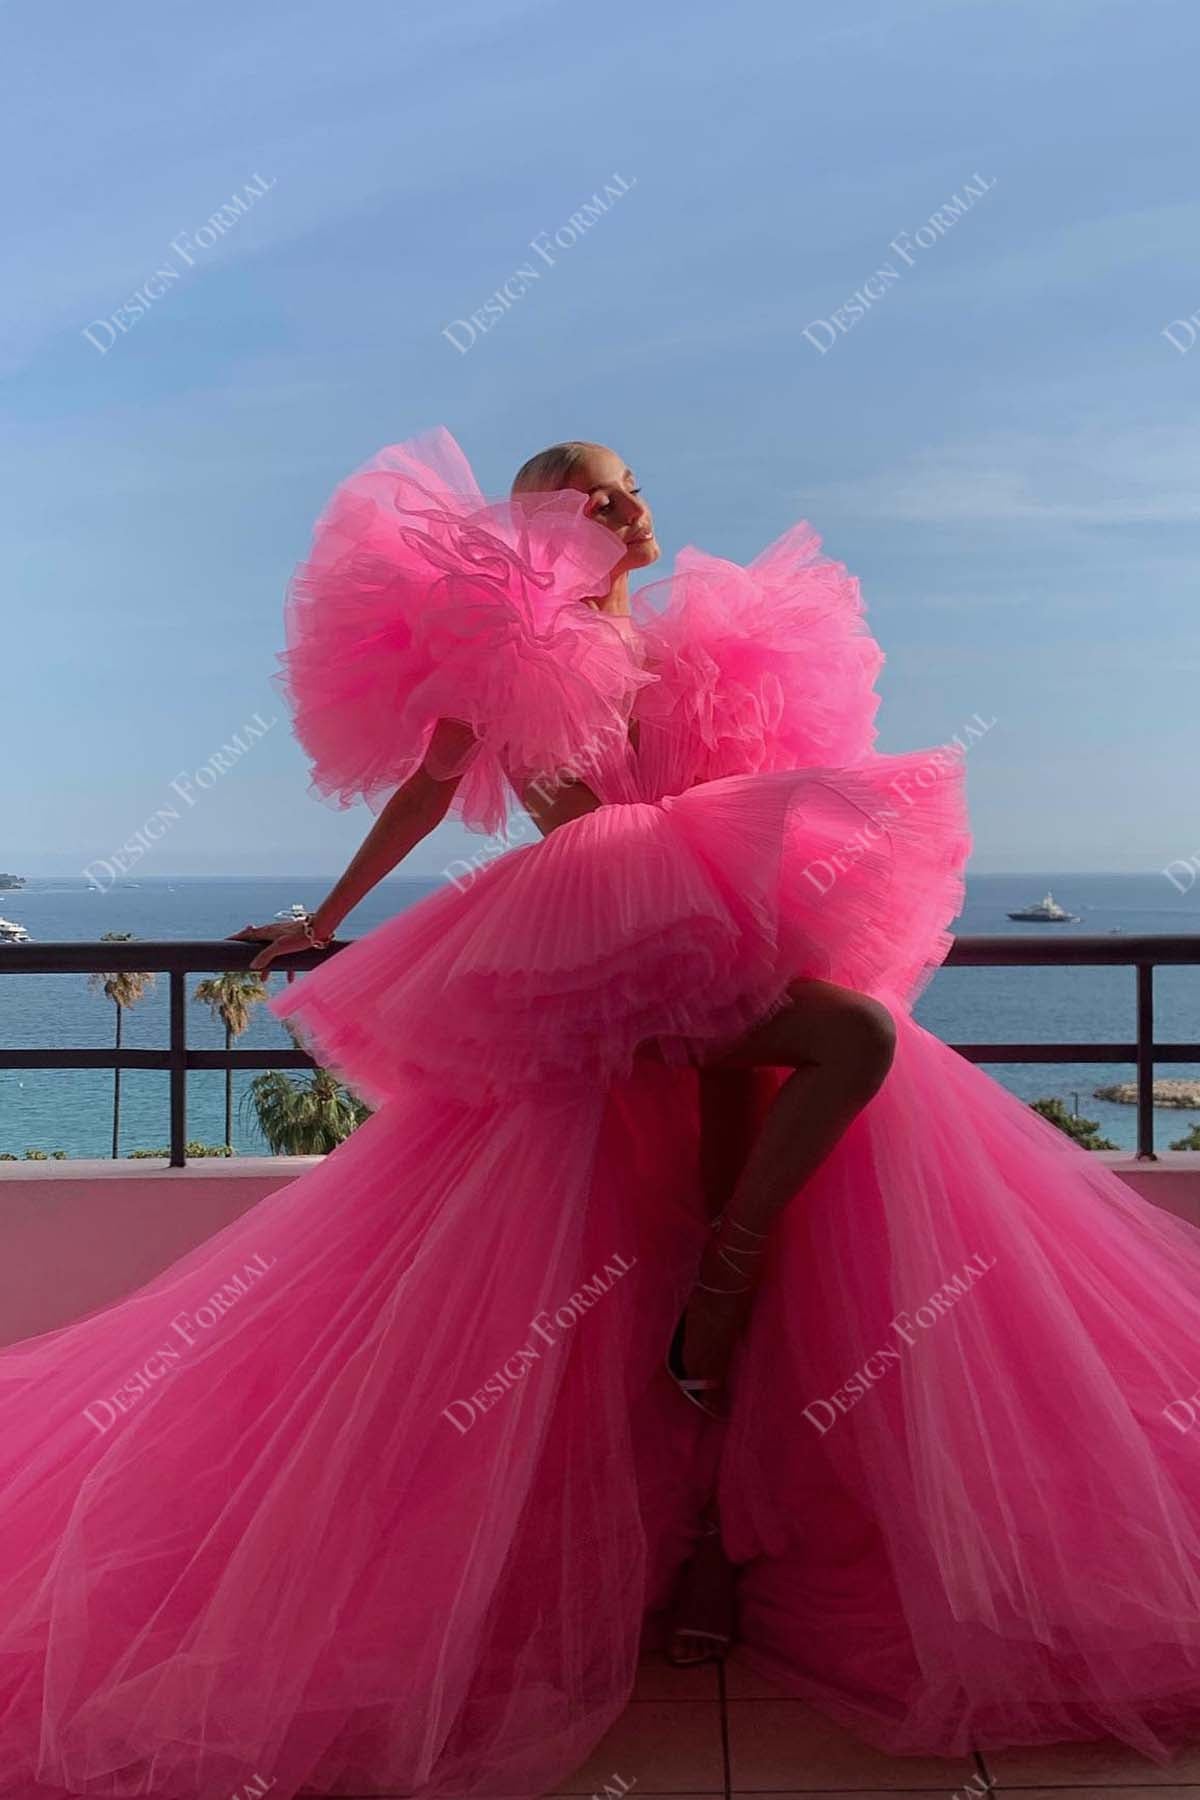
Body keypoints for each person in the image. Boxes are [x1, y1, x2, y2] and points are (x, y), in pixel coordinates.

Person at [2, 427, 1200, 1800]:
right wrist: (325, 919)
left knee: (816, 1123)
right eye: (578, 497)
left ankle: (715, 1473)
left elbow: (746, 808)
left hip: (718, 951)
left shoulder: (703, 651)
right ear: (539, 532)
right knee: (820, 1076)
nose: (615, 506)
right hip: (595, 966)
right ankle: (707, 1339)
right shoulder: (510, 646)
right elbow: (433, 784)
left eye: (623, 483)